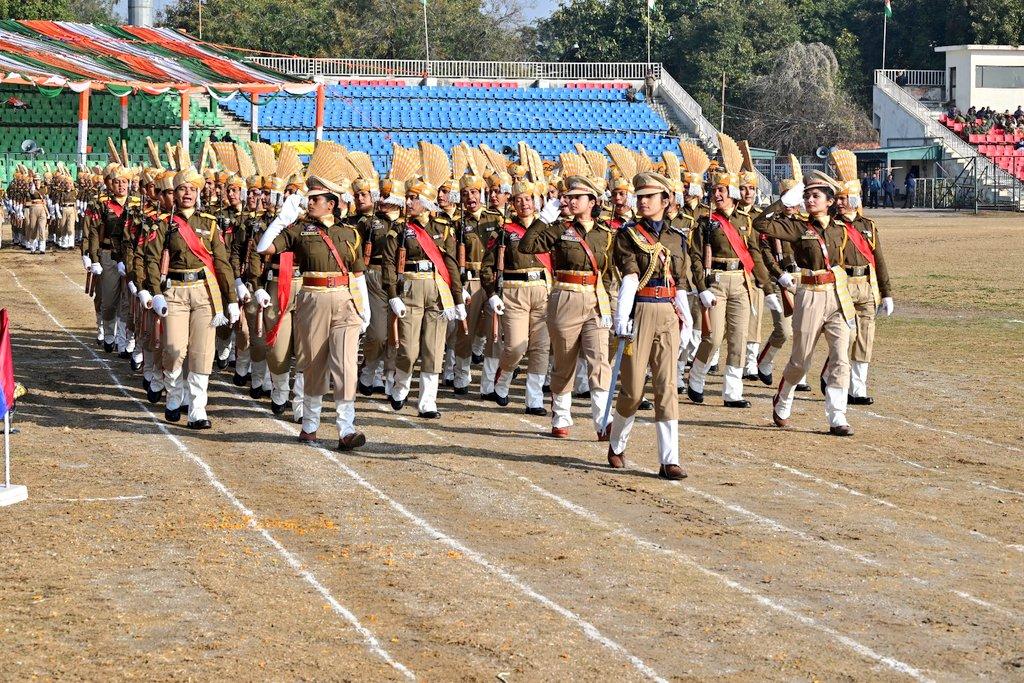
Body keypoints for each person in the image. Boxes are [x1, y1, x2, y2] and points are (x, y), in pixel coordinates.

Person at [257, 172, 371, 450]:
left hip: (345, 300)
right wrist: (282, 219)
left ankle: (346, 429)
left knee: (346, 365)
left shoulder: (349, 232)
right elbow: (263, 248)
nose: (310, 203)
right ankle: (310, 424)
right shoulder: (299, 230)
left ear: (331, 204)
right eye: (309, 198)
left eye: (315, 199)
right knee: (313, 363)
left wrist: (364, 308)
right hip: (312, 298)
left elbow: (357, 275)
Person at [753, 170, 856, 436]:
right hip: (809, 295)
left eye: (815, 196)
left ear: (830, 201)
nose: (810, 200)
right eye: (807, 195)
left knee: (840, 358)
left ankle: (837, 417)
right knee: (801, 360)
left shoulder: (842, 229)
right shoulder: (799, 227)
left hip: (837, 295)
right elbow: (760, 225)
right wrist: (785, 200)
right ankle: (784, 398)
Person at [607, 172, 692, 480]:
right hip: (640, 310)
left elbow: (680, 281)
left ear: (665, 200)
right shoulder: (628, 235)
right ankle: (617, 444)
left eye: (649, 197)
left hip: (668, 310)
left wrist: (687, 317)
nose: (642, 201)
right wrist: (622, 317)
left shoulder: (677, 237)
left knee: (667, 386)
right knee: (631, 389)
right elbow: (630, 277)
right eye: (639, 196)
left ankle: (670, 459)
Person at [519, 175, 614, 440]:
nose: (570, 201)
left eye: (577, 197)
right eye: (569, 197)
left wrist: (609, 304)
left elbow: (607, 272)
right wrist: (543, 219)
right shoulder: (559, 229)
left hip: (596, 300)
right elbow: (527, 246)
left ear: (592, 201)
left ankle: (603, 421)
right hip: (565, 297)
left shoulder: (605, 234)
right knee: (565, 361)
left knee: (599, 361)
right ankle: (561, 416)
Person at [143, 167, 239, 429]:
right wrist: (155, 293)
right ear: (175, 193)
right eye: (182, 189)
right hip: (174, 291)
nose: (187, 193)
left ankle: (197, 408)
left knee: (202, 352)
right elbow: (151, 259)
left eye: (192, 189)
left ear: (198, 193)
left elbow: (221, 261)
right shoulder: (163, 223)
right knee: (173, 349)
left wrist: (230, 298)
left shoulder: (209, 223)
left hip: (205, 292)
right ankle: (174, 395)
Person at [686, 154, 779, 408]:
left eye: (722, 190)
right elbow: (695, 257)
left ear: (733, 193)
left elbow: (755, 257)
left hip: (741, 282)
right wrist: (702, 288)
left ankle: (733, 392)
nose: (717, 195)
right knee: (713, 338)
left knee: (738, 338)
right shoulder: (705, 222)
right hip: (715, 281)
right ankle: (696, 377)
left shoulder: (746, 222)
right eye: (715, 190)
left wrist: (767, 288)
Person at [382, 179, 466, 418]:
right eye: (407, 197)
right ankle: (401, 387)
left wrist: (458, 298)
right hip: (409, 288)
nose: (408, 202)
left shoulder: (442, 228)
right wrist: (392, 295)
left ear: (427, 202)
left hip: (437, 290)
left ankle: (428, 401)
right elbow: (388, 263)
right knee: (408, 349)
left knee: (434, 348)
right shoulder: (399, 229)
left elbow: (450, 265)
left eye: (413, 198)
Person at [480, 179, 552, 413]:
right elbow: (487, 266)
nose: (524, 203)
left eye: (528, 198)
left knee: (541, 347)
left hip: (543, 289)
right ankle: (502, 381)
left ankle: (534, 399)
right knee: (515, 346)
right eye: (519, 199)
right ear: (512, 203)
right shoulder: (503, 232)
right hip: (514, 292)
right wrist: (492, 293)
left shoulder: (548, 230)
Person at [828, 151, 894, 405]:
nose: (840, 202)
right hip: (842, 285)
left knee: (865, 337)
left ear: (855, 199)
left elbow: (879, 260)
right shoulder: (831, 225)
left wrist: (887, 293)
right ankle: (834, 378)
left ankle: (858, 389)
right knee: (847, 336)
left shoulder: (868, 225)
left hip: (867, 285)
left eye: (844, 198)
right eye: (838, 198)